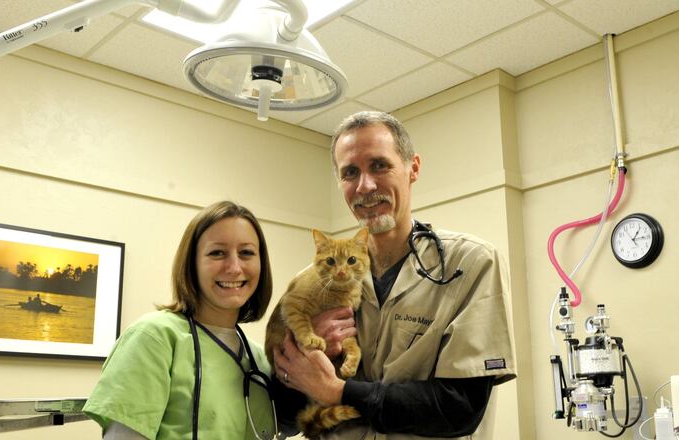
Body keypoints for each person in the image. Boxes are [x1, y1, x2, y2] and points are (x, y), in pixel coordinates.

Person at [272, 111, 517, 439]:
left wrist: (338, 391)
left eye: (379, 165)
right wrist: (311, 351)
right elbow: (285, 417)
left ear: (413, 168)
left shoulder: (470, 263)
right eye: (350, 172)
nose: (365, 186)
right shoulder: (315, 282)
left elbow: (459, 408)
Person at [83, 201, 276, 439]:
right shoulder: (153, 338)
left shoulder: (261, 360)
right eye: (217, 253)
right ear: (191, 263)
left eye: (246, 253)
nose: (234, 267)